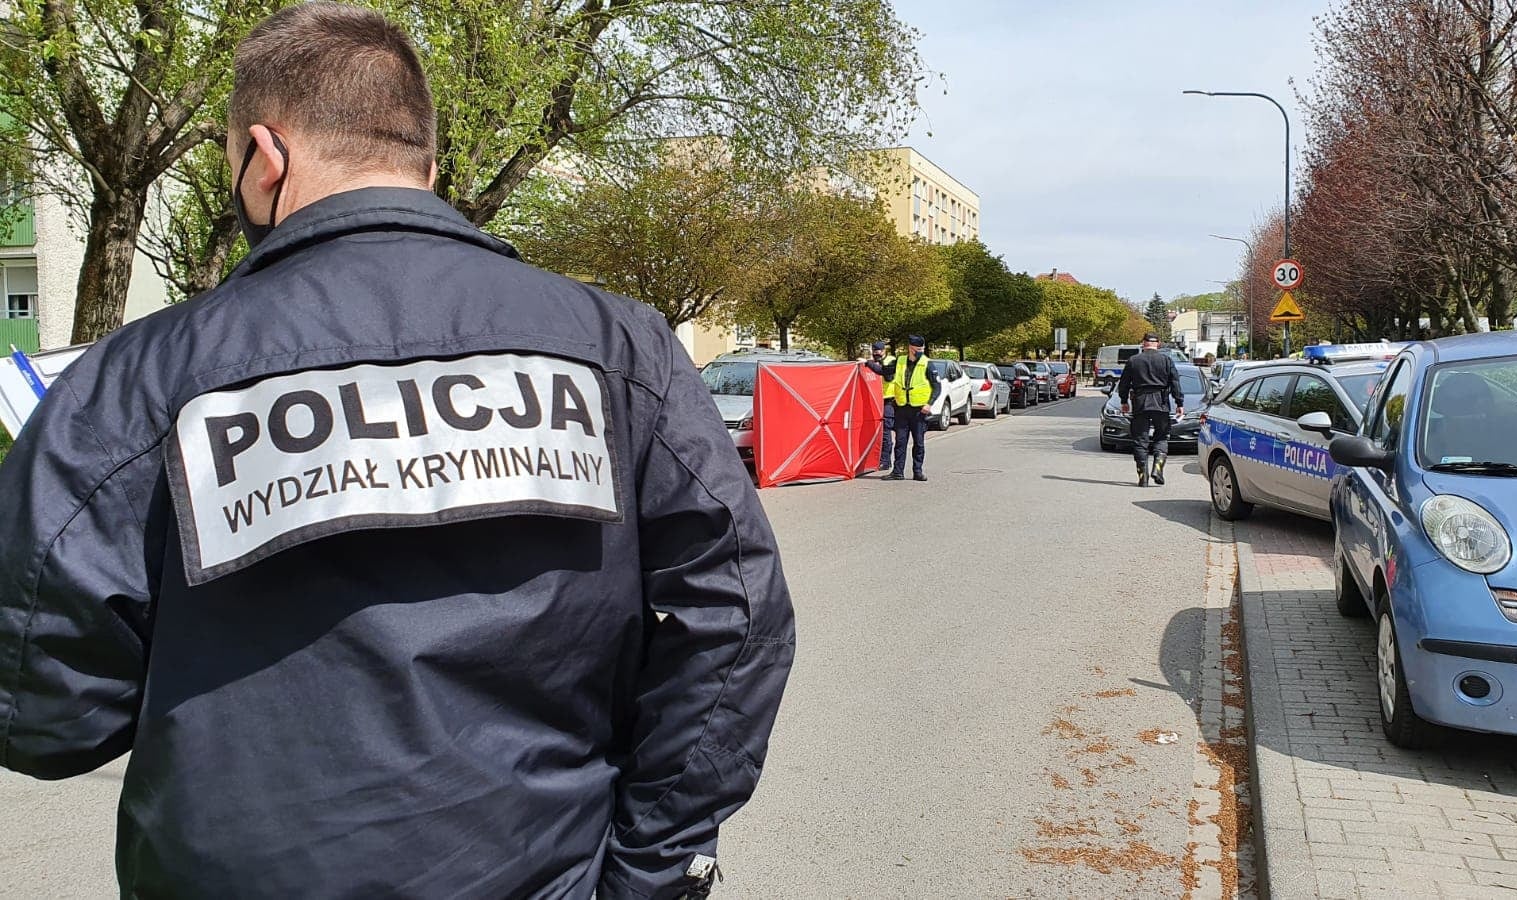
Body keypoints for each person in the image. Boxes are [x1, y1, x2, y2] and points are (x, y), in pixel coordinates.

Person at [0, 5, 794, 898]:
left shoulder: (133, 381)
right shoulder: (618, 350)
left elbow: (44, 710)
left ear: (266, 159)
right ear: (426, 161)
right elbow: (737, 614)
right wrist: (652, 868)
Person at [1119, 332, 1185, 487]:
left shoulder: (1134, 361)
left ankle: (1143, 477)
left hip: (1140, 403)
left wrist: (1124, 401)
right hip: (1161, 403)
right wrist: (1179, 403)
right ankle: (1158, 467)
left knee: (1140, 440)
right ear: (1158, 344)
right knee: (1161, 437)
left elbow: (1124, 383)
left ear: (1143, 343)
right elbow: (1175, 382)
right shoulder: (1166, 360)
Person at [885, 335, 941, 481]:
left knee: (919, 442)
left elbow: (937, 387)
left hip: (919, 410)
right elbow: (885, 371)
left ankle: (917, 471)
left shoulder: (927, 363)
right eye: (918, 349)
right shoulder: (900, 360)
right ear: (910, 348)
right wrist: (868, 364)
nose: (921, 351)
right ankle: (897, 472)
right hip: (902, 408)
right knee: (900, 442)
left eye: (922, 348)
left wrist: (930, 403)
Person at [865, 339, 896, 469]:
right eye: (874, 351)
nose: (875, 353)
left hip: (888, 400)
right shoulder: (874, 362)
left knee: (885, 431)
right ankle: (877, 459)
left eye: (878, 351)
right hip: (876, 400)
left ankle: (885, 461)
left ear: (884, 351)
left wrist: (871, 364)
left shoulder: (891, 361)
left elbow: (887, 375)